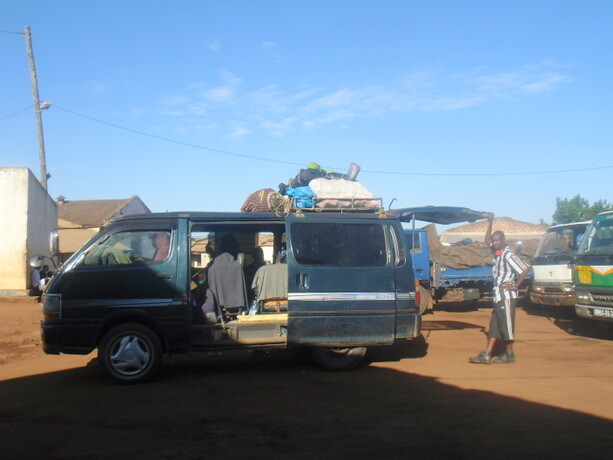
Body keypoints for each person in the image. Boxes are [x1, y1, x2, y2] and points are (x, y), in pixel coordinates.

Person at [469, 213, 530, 364]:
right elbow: (487, 240)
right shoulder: (497, 253)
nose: (494, 243)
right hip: (498, 295)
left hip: (506, 296)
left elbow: (525, 268)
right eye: (494, 241)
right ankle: (487, 354)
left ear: (503, 240)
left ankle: (509, 354)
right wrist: (490, 222)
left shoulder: (508, 255)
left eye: (497, 240)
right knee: (494, 325)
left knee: (506, 326)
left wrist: (515, 286)